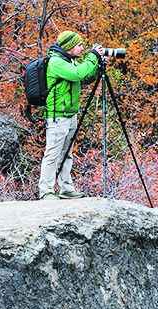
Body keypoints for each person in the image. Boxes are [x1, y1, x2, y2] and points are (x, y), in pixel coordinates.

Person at [38, 30, 107, 200]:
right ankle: (45, 191)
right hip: (57, 116)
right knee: (53, 153)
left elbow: (83, 78)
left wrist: (97, 67)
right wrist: (92, 56)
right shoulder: (56, 62)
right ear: (69, 47)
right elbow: (78, 74)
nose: (82, 48)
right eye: (79, 45)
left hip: (70, 114)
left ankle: (66, 188)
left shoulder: (69, 61)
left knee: (67, 153)